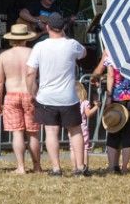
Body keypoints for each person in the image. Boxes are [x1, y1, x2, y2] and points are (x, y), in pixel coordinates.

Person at [26, 13, 88, 176]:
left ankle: (56, 168)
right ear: (64, 27)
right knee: (75, 131)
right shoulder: (72, 44)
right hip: (68, 97)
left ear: (47, 27)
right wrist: (66, 36)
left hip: (46, 96)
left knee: (51, 132)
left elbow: (30, 72)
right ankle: (80, 167)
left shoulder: (39, 47)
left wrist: (32, 92)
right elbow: (84, 53)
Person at [0, 22, 42, 174]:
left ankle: (21, 167)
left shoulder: (4, 56)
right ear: (26, 38)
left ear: (11, 39)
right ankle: (37, 166)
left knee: (17, 132)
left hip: (12, 95)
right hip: (31, 94)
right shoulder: (33, 53)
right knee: (33, 133)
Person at [105, 55, 130, 174]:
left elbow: (111, 75)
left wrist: (108, 96)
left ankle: (112, 167)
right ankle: (124, 168)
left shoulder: (111, 55)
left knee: (113, 131)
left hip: (117, 97)